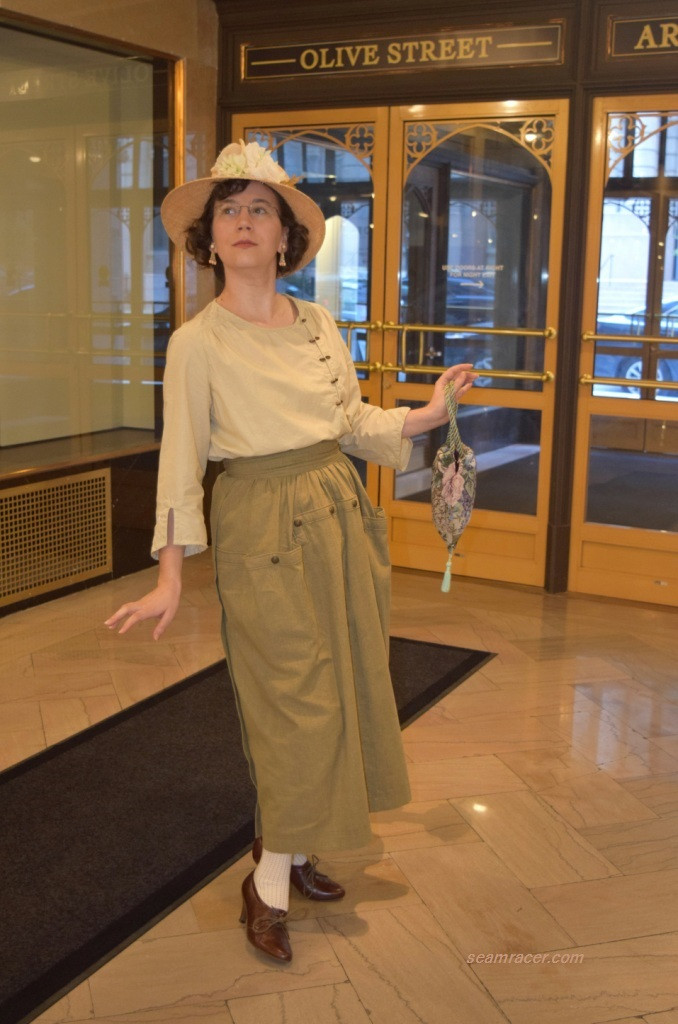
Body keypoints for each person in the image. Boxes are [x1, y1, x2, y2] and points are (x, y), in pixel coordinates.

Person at [105, 139, 476, 964]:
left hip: (337, 510)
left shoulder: (315, 321)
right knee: (293, 703)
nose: (242, 222)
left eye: (258, 210)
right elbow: (180, 461)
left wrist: (423, 412)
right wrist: (171, 576)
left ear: (284, 237)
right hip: (259, 522)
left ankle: (302, 845)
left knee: (342, 682)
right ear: (210, 237)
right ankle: (267, 881)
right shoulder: (197, 342)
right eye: (228, 210)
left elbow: (351, 422)